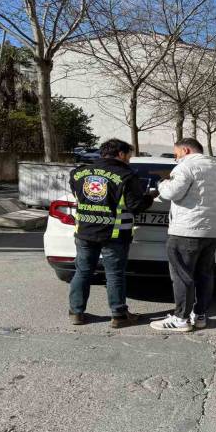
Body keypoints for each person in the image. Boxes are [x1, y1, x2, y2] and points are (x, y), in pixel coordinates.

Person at [150, 138, 216, 333]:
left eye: (176, 154)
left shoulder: (186, 166)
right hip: (214, 231)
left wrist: (162, 183)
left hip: (187, 230)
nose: (176, 159)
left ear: (186, 150)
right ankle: (199, 315)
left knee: (182, 275)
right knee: (204, 274)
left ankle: (180, 318)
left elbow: (171, 193)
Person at [68, 139, 153, 328]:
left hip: (84, 231)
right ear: (121, 154)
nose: (129, 160)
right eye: (129, 156)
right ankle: (119, 315)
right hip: (114, 235)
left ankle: (76, 313)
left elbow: (78, 195)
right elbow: (136, 206)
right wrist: (149, 198)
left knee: (82, 272)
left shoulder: (78, 172)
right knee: (114, 274)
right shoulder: (126, 175)